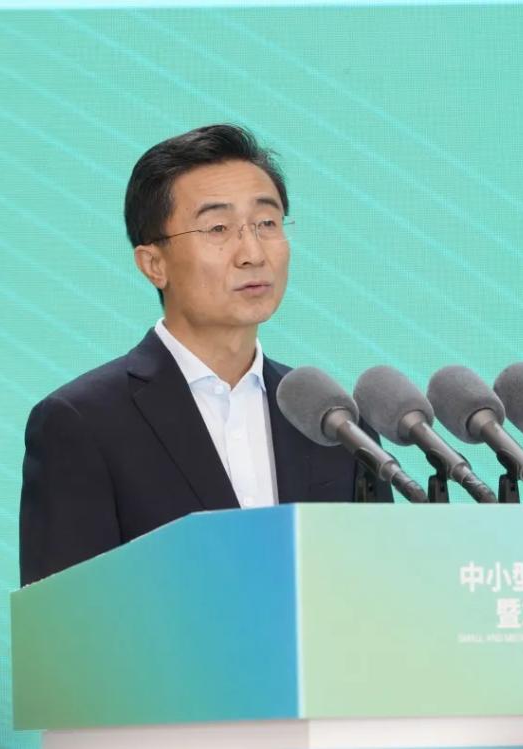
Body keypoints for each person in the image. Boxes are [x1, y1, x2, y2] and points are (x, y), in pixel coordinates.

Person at [19, 124, 389, 586]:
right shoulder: (82, 423)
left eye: (267, 224)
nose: (252, 253)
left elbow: (379, 596)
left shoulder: (335, 423)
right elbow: (61, 619)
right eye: (218, 228)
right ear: (154, 264)